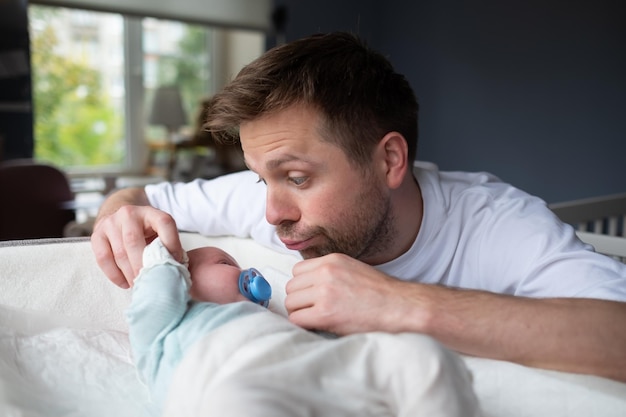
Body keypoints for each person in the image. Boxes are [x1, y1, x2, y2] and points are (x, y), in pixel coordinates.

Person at [93, 32, 626, 382]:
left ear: (389, 160)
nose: (273, 211)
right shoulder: (266, 199)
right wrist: (118, 214)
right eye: (260, 178)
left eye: (297, 177)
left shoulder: (499, 225)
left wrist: (399, 304)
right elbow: (137, 198)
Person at [127, 238, 480, 416]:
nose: (249, 273)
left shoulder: (270, 316)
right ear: (184, 280)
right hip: (236, 380)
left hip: (320, 368)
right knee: (236, 404)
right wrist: (162, 260)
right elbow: (153, 299)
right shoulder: (169, 327)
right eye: (225, 262)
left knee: (417, 355)